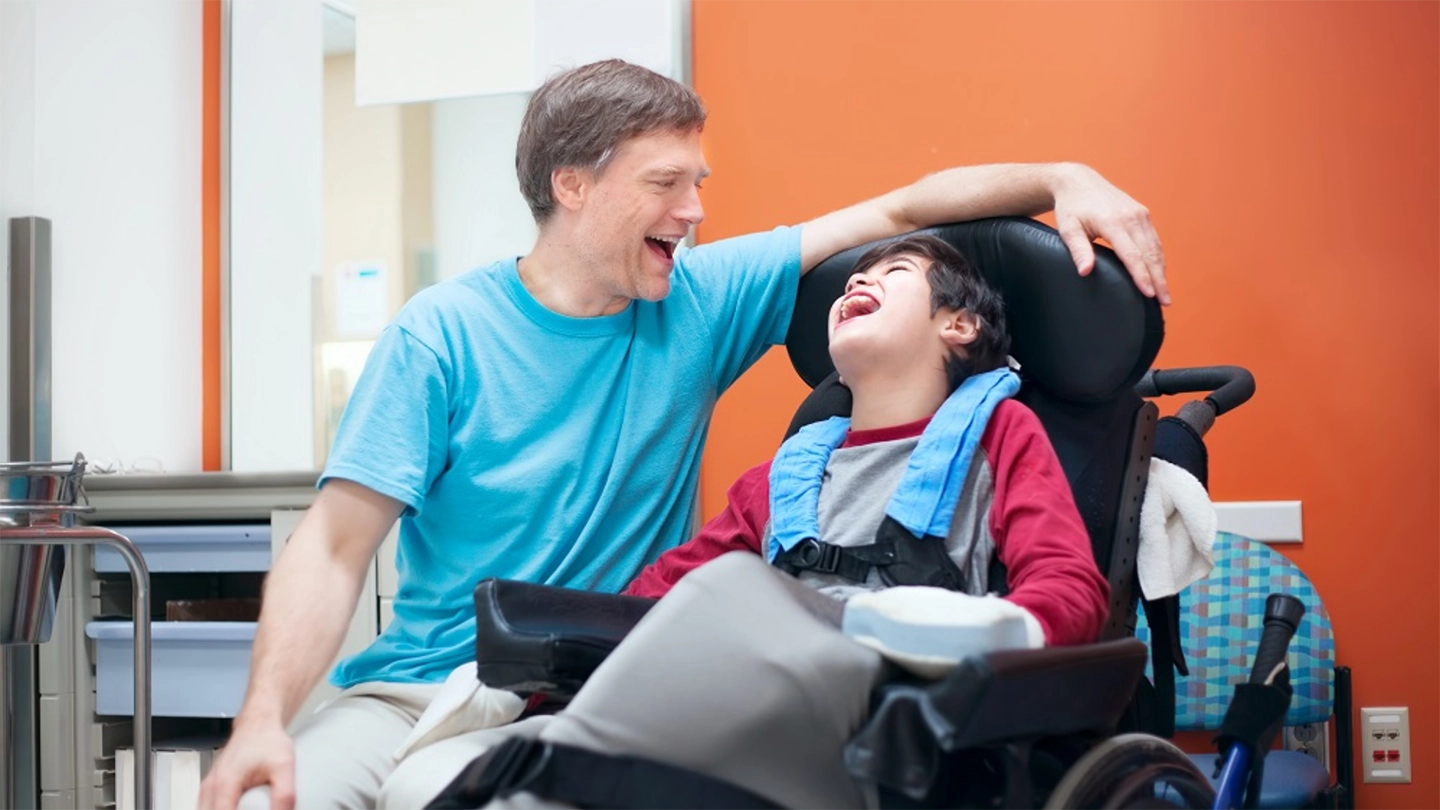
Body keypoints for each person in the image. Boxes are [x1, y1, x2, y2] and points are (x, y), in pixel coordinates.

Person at [199, 58, 1165, 810]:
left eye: (698, 182)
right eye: (668, 184)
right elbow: (330, 549)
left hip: (578, 674)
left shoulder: (702, 300)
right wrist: (261, 721)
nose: (696, 212)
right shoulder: (440, 334)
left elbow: (906, 208)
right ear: (574, 185)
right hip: (415, 686)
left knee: (441, 793)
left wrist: (1061, 177)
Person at [419, 234, 1109, 810]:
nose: (858, 281)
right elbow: (660, 594)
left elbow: (1072, 594)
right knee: (704, 599)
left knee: (733, 591)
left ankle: (538, 778)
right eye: (854, 277)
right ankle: (538, 770)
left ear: (958, 325)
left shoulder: (1000, 434)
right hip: (750, 717)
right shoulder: (784, 478)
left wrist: (947, 626)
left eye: (894, 273)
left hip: (895, 724)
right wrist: (538, 663)